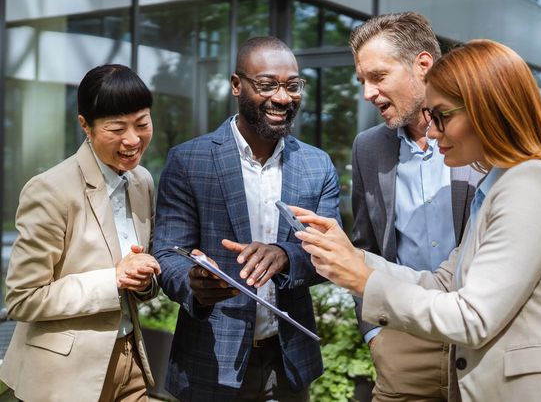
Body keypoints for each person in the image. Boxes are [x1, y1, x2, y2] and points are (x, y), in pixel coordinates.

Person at [292, 39, 541, 402]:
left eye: (440, 116)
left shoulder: (531, 183)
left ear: (487, 109)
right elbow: (442, 281)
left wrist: (365, 281)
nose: (433, 132)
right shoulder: (497, 185)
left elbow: (472, 316)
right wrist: (353, 258)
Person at [152, 36, 340, 402]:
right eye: (268, 85)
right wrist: (194, 285)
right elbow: (167, 253)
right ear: (237, 85)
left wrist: (286, 255)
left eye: (292, 86)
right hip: (209, 360)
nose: (283, 98)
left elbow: (331, 255)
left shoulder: (318, 165)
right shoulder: (189, 161)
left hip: (288, 362)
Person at [0, 64, 161, 402]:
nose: (133, 139)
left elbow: (136, 271)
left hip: (131, 362)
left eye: (142, 123)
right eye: (116, 128)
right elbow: (22, 298)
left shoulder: (142, 181)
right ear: (85, 126)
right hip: (64, 379)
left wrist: (145, 281)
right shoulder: (50, 190)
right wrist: (113, 279)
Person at [349, 12, 482, 401]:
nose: (368, 93)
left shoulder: (481, 135)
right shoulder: (368, 148)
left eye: (378, 76)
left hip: (477, 338)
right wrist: (375, 333)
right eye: (362, 81)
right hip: (403, 342)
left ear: (423, 66)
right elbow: (367, 244)